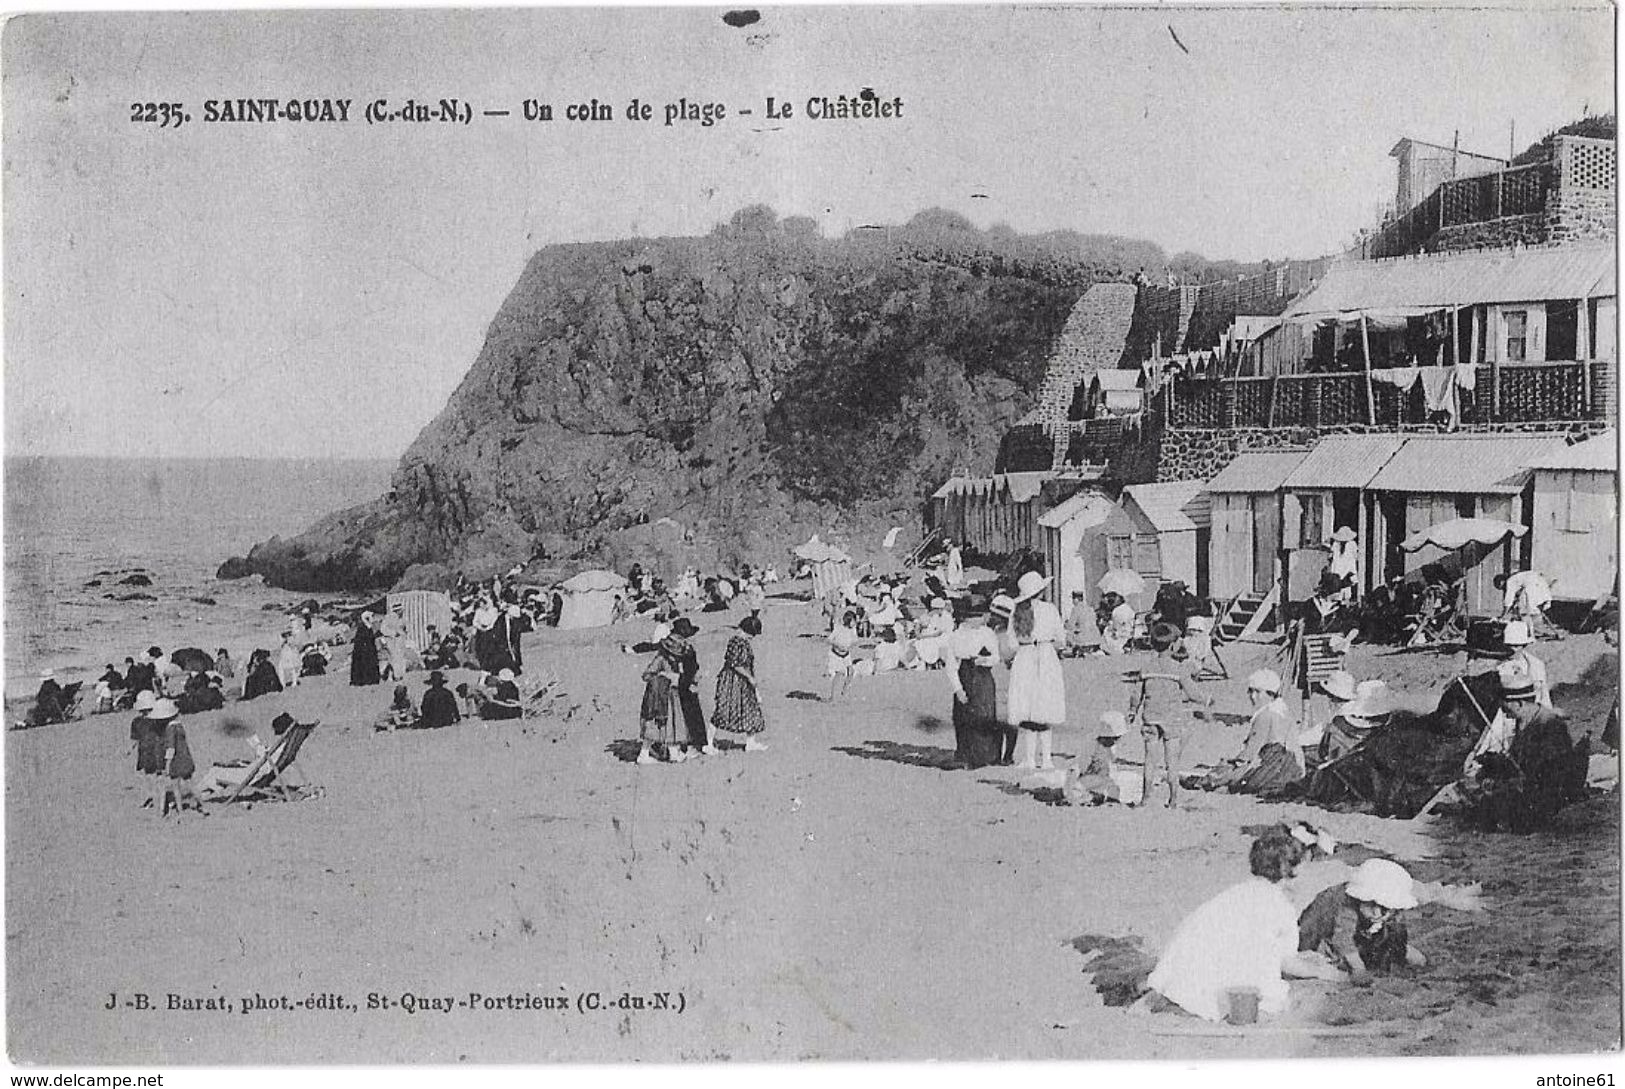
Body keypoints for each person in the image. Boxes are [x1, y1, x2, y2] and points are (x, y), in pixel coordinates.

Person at [1143, 830, 1340, 1022]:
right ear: (1293, 869)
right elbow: (1285, 962)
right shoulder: (1279, 906)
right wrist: (1322, 972)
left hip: (1179, 968)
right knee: (1273, 997)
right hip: (1219, 981)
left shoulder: (1236, 893)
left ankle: (1169, 994)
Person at [1297, 859, 1426, 985]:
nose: (1377, 913)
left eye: (1384, 909)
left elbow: (1397, 932)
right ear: (1360, 898)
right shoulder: (1345, 907)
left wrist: (1399, 957)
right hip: (1325, 938)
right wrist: (1359, 969)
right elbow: (1342, 940)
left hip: (1363, 934)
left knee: (1417, 959)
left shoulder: (1392, 913)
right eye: (1371, 905)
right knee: (1333, 968)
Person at [1133, 623, 1214, 808]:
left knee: (1149, 759)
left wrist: (1132, 711)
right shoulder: (1179, 669)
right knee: (1172, 760)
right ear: (1172, 646)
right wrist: (1207, 700)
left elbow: (1137, 693)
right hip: (1172, 719)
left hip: (1150, 717)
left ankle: (1145, 798)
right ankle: (1173, 799)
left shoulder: (1146, 667)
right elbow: (1193, 693)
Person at [1196, 669, 1302, 795]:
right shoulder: (1283, 710)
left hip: (1274, 770)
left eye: (1257, 692)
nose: (1253, 697)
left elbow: (1249, 755)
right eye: (1251, 691)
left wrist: (1221, 774)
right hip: (1294, 770)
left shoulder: (1265, 716)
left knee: (1222, 774)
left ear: (1270, 693)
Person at [1006, 571, 1065, 771]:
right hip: (1046, 654)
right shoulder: (1050, 609)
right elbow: (1061, 639)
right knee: (1045, 707)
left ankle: (1030, 758)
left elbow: (1011, 643)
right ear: (1040, 591)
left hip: (1024, 656)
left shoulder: (1016, 612)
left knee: (1028, 707)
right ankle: (1046, 758)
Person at [945, 605, 1003, 769]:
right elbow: (950, 665)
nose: (979, 620)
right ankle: (966, 754)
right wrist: (958, 689)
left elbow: (996, 656)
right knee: (964, 715)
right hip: (965, 673)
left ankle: (987, 755)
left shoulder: (987, 633)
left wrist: (985, 660)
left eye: (980, 616)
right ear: (966, 618)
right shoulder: (956, 635)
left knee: (984, 712)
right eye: (974, 616)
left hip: (983, 674)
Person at [714, 615, 768, 751]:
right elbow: (735, 664)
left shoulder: (742, 641)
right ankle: (708, 741)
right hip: (733, 680)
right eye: (752, 634)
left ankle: (751, 742)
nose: (752, 637)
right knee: (724, 710)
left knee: (751, 709)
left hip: (743, 679)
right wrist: (749, 677)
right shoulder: (736, 642)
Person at [1064, 712, 1134, 805]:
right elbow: (1075, 769)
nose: (1116, 741)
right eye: (1115, 738)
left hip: (1100, 780)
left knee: (1119, 784)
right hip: (1086, 781)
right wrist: (1069, 792)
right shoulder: (1092, 747)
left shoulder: (1110, 747)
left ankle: (1102, 798)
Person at [150, 699, 204, 818]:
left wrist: (167, 764)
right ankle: (202, 805)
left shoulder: (169, 729)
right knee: (191, 784)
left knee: (176, 787)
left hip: (176, 761)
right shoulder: (180, 726)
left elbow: (171, 748)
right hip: (186, 758)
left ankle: (180, 810)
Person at [666, 618, 711, 756]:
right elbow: (692, 667)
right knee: (692, 713)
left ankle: (679, 745)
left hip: (672, 682)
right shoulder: (686, 648)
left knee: (677, 715)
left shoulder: (668, 645)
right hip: (686, 681)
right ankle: (695, 744)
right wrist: (693, 680)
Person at [637, 631, 683, 765]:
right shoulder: (660, 659)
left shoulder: (676, 661)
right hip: (658, 697)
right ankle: (643, 754)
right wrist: (663, 676)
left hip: (671, 697)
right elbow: (646, 675)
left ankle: (673, 753)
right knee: (654, 725)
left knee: (671, 726)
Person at [1502, 621, 1552, 708]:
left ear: (1524, 645)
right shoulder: (1500, 666)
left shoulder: (1536, 665)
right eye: (1510, 646)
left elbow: (1544, 695)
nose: (1513, 650)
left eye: (1517, 646)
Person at [827, 610, 860, 702]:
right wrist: (838, 645)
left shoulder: (853, 630)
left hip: (846, 654)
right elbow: (829, 640)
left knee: (851, 671)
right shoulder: (838, 629)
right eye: (853, 621)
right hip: (836, 654)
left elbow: (855, 641)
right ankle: (832, 696)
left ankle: (844, 691)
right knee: (838, 674)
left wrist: (850, 645)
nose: (855, 623)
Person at [1064, 590, 1102, 657]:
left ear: (1076, 599)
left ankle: (1077, 650)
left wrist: (1066, 624)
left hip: (1083, 639)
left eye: (1073, 599)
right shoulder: (1090, 608)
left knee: (1069, 634)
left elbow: (1070, 625)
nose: (1072, 601)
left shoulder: (1075, 609)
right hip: (1094, 636)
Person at [350, 611, 382, 687]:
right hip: (363, 651)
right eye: (371, 617)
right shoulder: (362, 627)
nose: (372, 619)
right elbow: (363, 639)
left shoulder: (368, 626)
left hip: (368, 649)